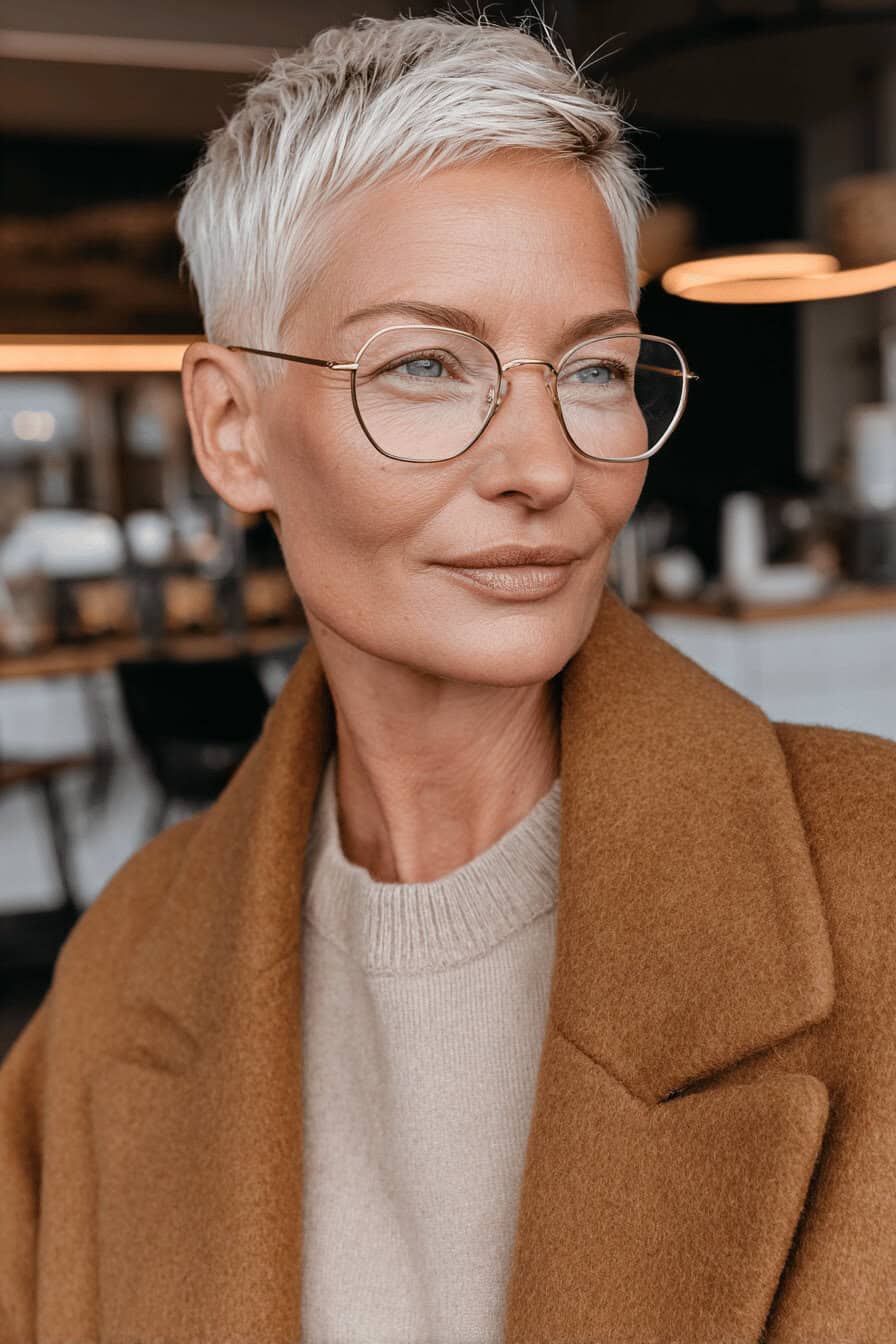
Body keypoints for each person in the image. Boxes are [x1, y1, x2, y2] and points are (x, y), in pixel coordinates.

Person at [1, 12, 895, 1344]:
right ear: (233, 431)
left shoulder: (874, 889)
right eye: (425, 365)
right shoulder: (114, 982)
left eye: (593, 367)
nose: (547, 464)